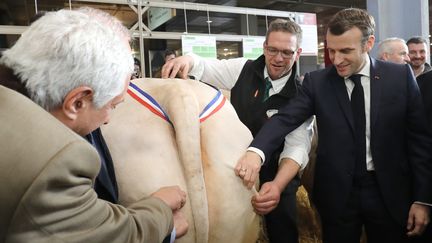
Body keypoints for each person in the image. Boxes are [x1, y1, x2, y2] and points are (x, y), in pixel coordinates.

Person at [236, 8, 432, 243]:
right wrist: (255, 153)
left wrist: (423, 199)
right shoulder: (317, 83)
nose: (336, 59)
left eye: (346, 51)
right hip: (337, 198)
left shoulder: (399, 77)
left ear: (368, 43)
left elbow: (419, 141)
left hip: (390, 193)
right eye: (331, 50)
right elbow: (285, 119)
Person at [0, 8, 188, 242]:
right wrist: (160, 208)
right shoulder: (54, 163)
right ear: (77, 102)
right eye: (113, 105)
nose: (108, 118)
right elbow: (114, 236)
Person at [162, 18, 313, 243]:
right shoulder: (244, 69)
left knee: (283, 225)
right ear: (264, 47)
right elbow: (207, 67)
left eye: (287, 52)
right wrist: (188, 60)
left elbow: (297, 147)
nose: (278, 58)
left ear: (298, 53)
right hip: (235, 169)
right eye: (272, 50)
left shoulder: (302, 94)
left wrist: (278, 186)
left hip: (275, 172)